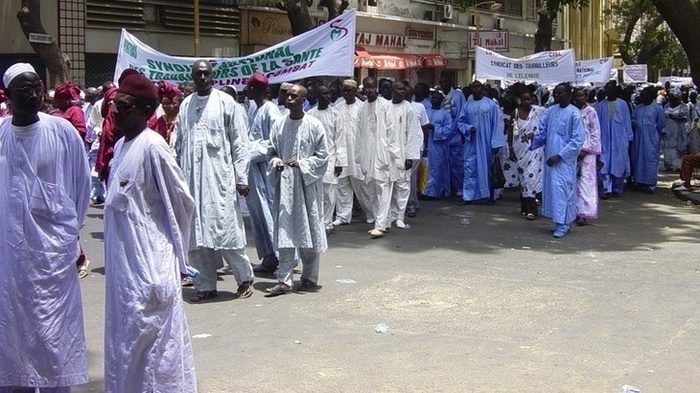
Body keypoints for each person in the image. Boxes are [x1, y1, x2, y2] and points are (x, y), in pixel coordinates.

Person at [103, 70, 197, 392]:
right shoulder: (120, 149)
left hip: (149, 272)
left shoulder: (153, 147)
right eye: (115, 104)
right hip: (124, 274)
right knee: (127, 350)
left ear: (145, 110)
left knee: (157, 358)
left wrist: (172, 258)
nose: (115, 111)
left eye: (124, 106)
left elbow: (182, 202)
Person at [0, 63, 90, 392]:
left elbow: (80, 187)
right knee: (12, 338)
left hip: (53, 260)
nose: (34, 94)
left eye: (37, 86)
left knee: (53, 340)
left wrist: (67, 238)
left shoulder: (62, 132)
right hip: (10, 262)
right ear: (7, 96)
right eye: (23, 89)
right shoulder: (2, 136)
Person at [174, 59, 254, 302]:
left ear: (212, 75)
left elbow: (240, 143)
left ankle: (244, 279)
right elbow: (177, 143)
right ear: (193, 76)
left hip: (220, 178)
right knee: (196, 235)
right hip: (191, 179)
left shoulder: (225, 102)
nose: (202, 78)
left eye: (206, 73)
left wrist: (241, 177)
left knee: (226, 230)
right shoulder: (186, 105)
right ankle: (205, 284)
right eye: (198, 74)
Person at [265, 84, 328, 296]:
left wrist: (302, 164)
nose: (289, 99)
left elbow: (323, 156)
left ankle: (309, 277)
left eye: (294, 96)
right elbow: (271, 151)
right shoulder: (279, 125)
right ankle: (284, 280)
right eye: (288, 96)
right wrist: (277, 163)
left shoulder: (314, 125)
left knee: (308, 229)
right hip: (285, 187)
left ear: (303, 100)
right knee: (285, 233)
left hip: (306, 187)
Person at [528, 82, 585, 238]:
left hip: (564, 161)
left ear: (569, 94)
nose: (557, 96)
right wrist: (533, 138)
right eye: (556, 93)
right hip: (550, 159)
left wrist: (559, 155)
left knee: (563, 190)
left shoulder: (574, 114)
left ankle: (563, 224)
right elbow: (542, 132)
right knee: (553, 191)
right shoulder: (550, 111)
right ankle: (559, 222)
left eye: (560, 93)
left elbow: (577, 140)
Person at [244, 72, 283, 273]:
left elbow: (274, 141)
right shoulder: (253, 110)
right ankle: (268, 256)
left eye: (249, 88)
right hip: (254, 173)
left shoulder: (271, 110)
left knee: (271, 213)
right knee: (258, 216)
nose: (247, 91)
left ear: (256, 90)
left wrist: (252, 151)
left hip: (267, 172)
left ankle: (283, 258)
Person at [457, 80, 505, 204]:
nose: (476, 89)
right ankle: (468, 196)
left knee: (486, 170)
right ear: (471, 89)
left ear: (482, 88)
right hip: (471, 142)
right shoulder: (467, 105)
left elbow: (496, 125)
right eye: (474, 87)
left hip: (486, 144)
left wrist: (496, 144)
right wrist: (468, 128)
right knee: (469, 168)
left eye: (478, 86)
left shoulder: (490, 104)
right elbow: (460, 122)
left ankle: (487, 195)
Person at [307, 85, 345, 233]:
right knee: (316, 194)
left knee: (329, 194)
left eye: (329, 93)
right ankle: (316, 224)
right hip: (314, 160)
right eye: (324, 94)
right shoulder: (310, 114)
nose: (327, 97)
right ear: (317, 95)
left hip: (331, 159)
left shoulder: (336, 115)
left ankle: (327, 224)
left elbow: (340, 140)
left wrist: (340, 162)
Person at [333, 79, 369, 225]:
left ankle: (371, 213)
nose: (346, 93)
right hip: (342, 153)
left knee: (362, 186)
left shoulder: (362, 107)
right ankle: (343, 216)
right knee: (342, 185)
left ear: (355, 92)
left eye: (349, 91)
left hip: (357, 154)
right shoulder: (338, 107)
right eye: (344, 91)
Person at [386, 81, 421, 228]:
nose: (402, 92)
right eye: (399, 89)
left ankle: (400, 216)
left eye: (403, 89)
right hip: (387, 153)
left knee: (403, 185)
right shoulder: (385, 106)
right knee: (388, 185)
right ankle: (390, 215)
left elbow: (412, 134)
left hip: (403, 153)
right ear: (392, 91)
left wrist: (410, 156)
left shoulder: (409, 108)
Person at [508, 90, 545, 219]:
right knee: (523, 180)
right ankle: (524, 207)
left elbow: (544, 125)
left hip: (534, 150)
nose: (526, 102)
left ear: (532, 100)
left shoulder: (538, 112)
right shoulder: (516, 113)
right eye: (524, 100)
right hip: (520, 150)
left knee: (531, 178)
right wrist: (511, 148)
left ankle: (532, 210)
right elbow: (512, 132)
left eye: (528, 99)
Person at [595, 81, 634, 198]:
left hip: (619, 140)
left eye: (610, 89)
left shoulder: (623, 104)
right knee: (604, 163)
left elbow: (627, 121)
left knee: (618, 163)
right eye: (606, 89)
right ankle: (607, 189)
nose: (608, 91)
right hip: (604, 139)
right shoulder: (601, 105)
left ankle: (617, 188)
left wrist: (629, 137)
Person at [572, 87, 602, 225]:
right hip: (572, 151)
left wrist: (585, 150)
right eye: (577, 96)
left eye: (582, 96)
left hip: (587, 153)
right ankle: (572, 211)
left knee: (585, 182)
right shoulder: (571, 111)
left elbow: (595, 133)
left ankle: (583, 213)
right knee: (572, 181)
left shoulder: (591, 112)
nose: (580, 98)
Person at [631, 86, 667, 194]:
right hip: (638, 138)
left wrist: (658, 137)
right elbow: (633, 118)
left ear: (650, 96)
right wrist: (634, 122)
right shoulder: (638, 108)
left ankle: (650, 184)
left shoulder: (657, 108)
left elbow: (662, 124)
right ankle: (639, 182)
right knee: (638, 159)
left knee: (650, 160)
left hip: (651, 139)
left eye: (644, 94)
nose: (642, 96)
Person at [439, 74, 467, 195]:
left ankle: (459, 187)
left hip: (455, 134)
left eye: (445, 81)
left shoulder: (458, 95)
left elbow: (462, 113)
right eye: (441, 81)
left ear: (450, 82)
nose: (443, 83)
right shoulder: (439, 96)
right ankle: (446, 188)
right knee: (443, 162)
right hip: (442, 134)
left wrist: (456, 131)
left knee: (456, 163)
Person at [423, 90, 452, 199]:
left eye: (437, 98)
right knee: (425, 167)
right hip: (426, 143)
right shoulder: (425, 111)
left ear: (441, 101)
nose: (434, 100)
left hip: (438, 145)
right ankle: (423, 190)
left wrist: (435, 128)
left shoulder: (445, 114)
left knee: (436, 168)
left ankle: (433, 192)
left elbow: (448, 130)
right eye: (433, 98)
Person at [662, 88, 689, 172]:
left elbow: (687, 118)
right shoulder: (666, 106)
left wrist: (676, 118)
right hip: (668, 129)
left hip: (678, 129)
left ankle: (677, 166)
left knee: (678, 147)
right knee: (668, 147)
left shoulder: (683, 107)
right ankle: (668, 164)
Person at [148, 80, 182, 145]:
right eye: (163, 104)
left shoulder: (180, 120)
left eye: (167, 103)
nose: (164, 106)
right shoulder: (159, 120)